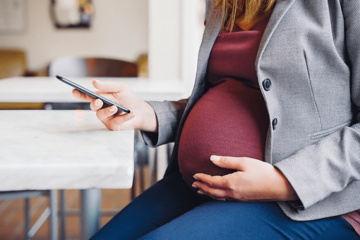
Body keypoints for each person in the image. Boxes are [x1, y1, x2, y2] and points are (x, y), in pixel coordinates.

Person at [73, 0, 360, 239]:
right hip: (201, 185)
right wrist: (146, 113)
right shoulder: (225, 4)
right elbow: (225, 94)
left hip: (314, 200)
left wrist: (286, 181)